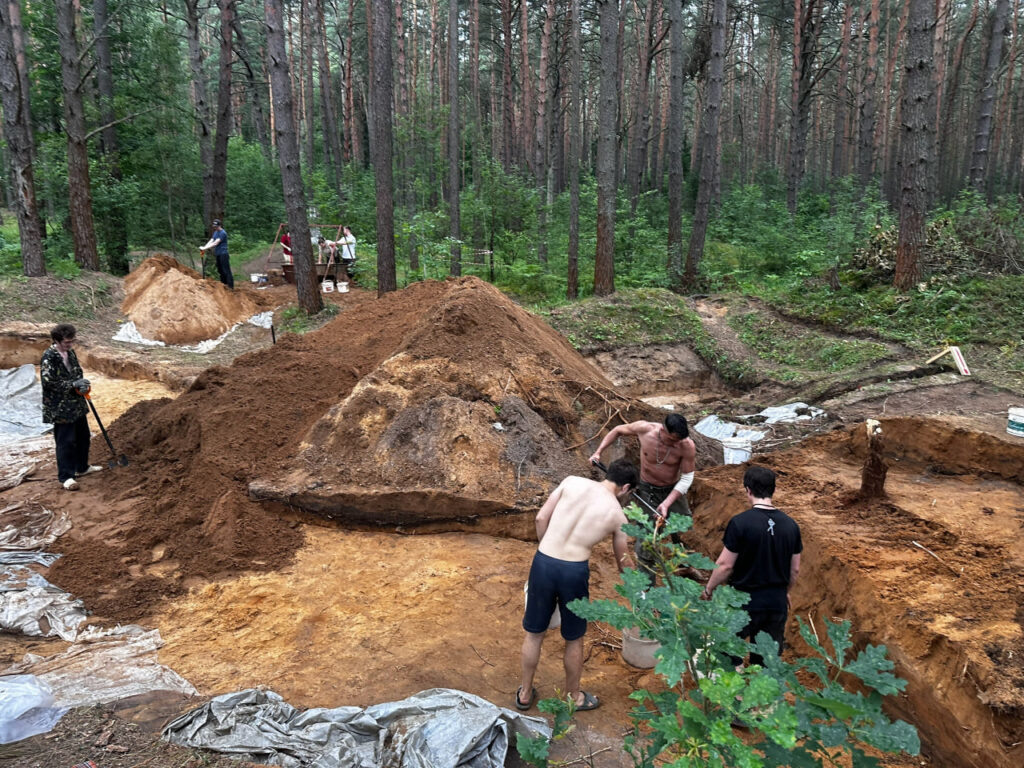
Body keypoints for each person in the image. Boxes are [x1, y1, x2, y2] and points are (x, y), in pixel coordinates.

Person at [517, 459, 638, 713]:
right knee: (574, 638)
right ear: (626, 487)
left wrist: (547, 550)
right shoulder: (618, 515)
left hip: (543, 563)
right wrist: (640, 591)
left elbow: (541, 519)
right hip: (574, 571)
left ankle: (525, 694)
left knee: (534, 634)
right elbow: (623, 561)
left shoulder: (571, 482)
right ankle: (574, 697)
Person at [701, 465, 802, 667]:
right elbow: (795, 570)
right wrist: (784, 592)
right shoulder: (791, 526)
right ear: (773, 490)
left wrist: (709, 588)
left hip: (743, 602)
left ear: (748, 490)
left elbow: (725, 565)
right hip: (775, 603)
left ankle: (735, 695)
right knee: (767, 662)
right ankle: (761, 698)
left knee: (729, 655)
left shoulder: (740, 523)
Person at [589, 414, 696, 572]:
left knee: (683, 528)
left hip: (672, 490)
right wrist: (598, 452)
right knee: (647, 536)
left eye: (678, 440)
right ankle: (646, 582)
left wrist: (667, 503)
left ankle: (686, 565)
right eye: (673, 439)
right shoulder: (645, 430)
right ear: (663, 430)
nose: (676, 443)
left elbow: (687, 478)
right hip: (647, 490)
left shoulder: (686, 445)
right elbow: (618, 430)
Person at [39, 324, 102, 491]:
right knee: (65, 441)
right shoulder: (49, 357)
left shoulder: (70, 353)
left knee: (83, 436)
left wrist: (81, 384)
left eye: (72, 341)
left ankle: (82, 467)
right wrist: (72, 384)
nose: (70, 344)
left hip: (76, 404)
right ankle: (66, 477)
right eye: (67, 342)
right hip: (60, 407)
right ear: (57, 340)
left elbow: (77, 372)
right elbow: (49, 382)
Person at [199, 219, 233, 288]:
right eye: (214, 226)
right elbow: (211, 240)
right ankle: (224, 284)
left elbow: (215, 243)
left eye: (216, 226)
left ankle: (230, 286)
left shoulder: (223, 233)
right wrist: (204, 247)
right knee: (220, 270)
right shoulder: (215, 232)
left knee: (226, 270)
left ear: (219, 225)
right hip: (218, 254)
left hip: (223, 254)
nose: (215, 227)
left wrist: (205, 248)